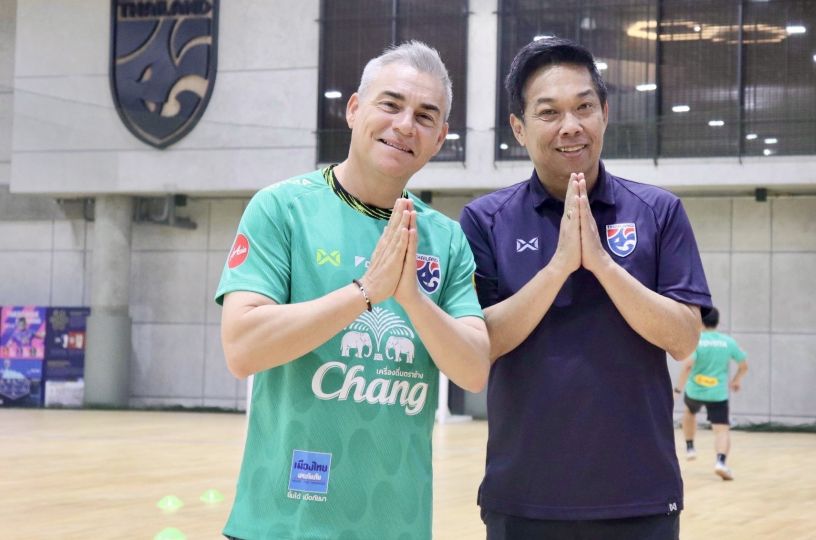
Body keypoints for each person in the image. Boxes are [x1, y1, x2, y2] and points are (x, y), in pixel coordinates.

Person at [215, 41, 490, 540]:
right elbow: (242, 346)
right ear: (355, 109)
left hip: (397, 526)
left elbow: (473, 370)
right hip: (281, 523)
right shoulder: (282, 209)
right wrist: (366, 291)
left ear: (440, 139)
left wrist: (411, 298)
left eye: (426, 116)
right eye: (391, 104)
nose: (406, 124)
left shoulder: (446, 239)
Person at [460, 37, 712, 539]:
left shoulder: (658, 212)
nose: (570, 126)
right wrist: (557, 269)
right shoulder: (484, 220)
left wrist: (600, 264)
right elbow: (480, 345)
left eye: (584, 107)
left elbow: (684, 337)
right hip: (523, 499)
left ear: (604, 114)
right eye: (549, 112)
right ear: (518, 127)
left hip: (640, 497)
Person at [675, 307, 748, 481]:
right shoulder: (728, 342)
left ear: (700, 322)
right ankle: (721, 462)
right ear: (717, 322)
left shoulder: (696, 341)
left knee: (689, 412)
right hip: (718, 394)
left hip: (695, 390)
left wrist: (677, 389)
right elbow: (744, 365)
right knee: (721, 430)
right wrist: (736, 380)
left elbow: (687, 365)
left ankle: (690, 447)